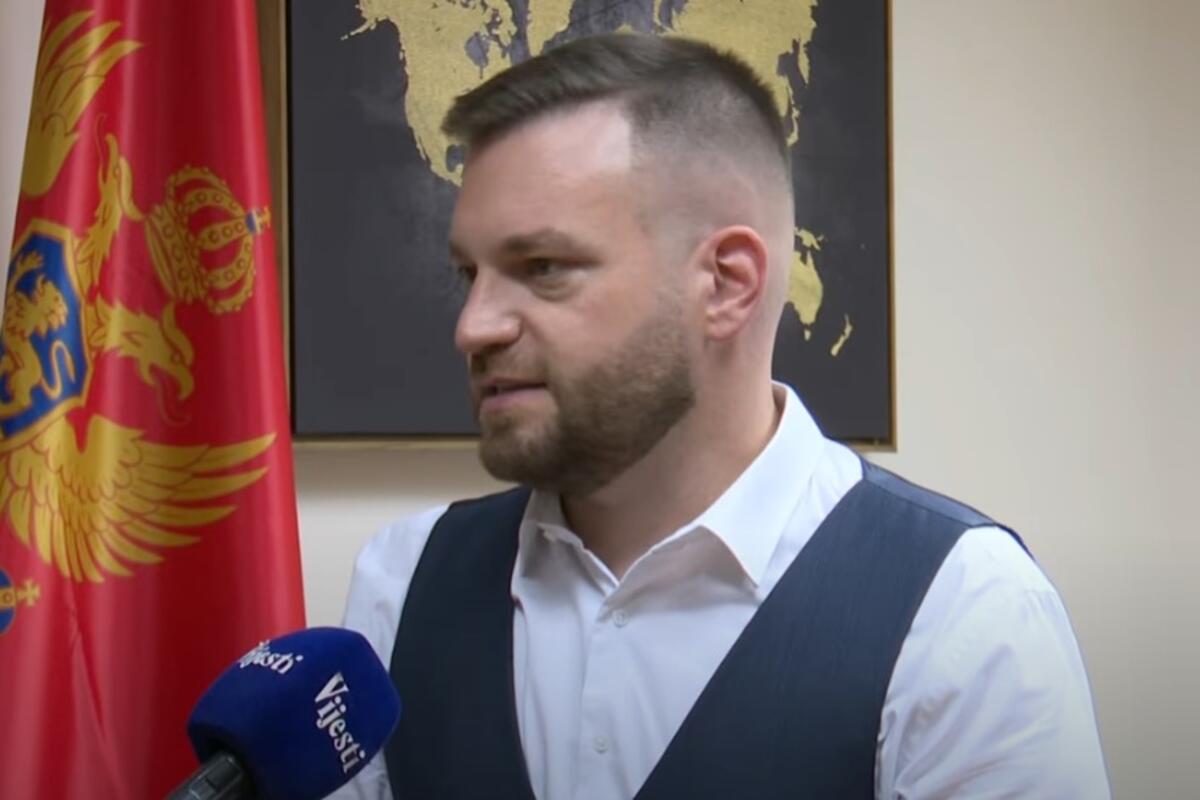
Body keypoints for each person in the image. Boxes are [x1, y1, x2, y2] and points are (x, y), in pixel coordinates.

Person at [332, 33, 1109, 799]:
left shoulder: (962, 615)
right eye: (469, 274)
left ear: (727, 285)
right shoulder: (404, 583)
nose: (473, 326)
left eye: (543, 267)